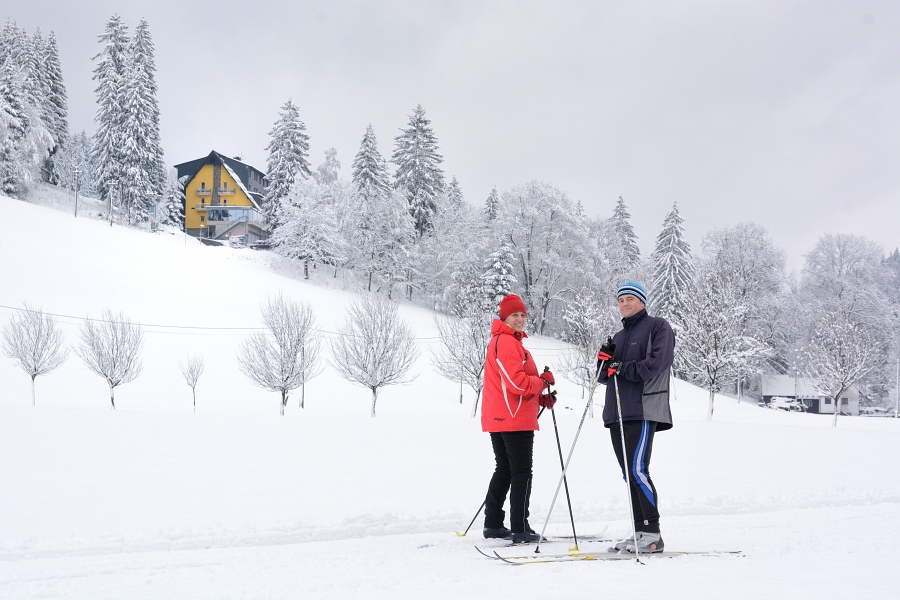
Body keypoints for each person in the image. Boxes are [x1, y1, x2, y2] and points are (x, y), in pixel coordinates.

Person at [597, 281, 675, 553]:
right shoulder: (617, 337)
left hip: (642, 409)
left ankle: (653, 534)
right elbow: (603, 378)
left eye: (630, 298)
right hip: (616, 412)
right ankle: (639, 531)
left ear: (642, 302)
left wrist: (621, 366)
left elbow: (657, 363)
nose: (625, 304)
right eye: (620, 300)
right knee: (628, 473)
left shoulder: (658, 326)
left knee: (639, 470)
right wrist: (603, 360)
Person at [480, 293, 556, 543]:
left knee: (505, 469)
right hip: (513, 419)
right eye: (515, 315)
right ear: (504, 317)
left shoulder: (506, 341)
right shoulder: (506, 342)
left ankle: (493, 524)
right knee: (521, 471)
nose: (520, 319)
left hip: (503, 415)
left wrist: (541, 397)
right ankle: (520, 527)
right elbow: (517, 383)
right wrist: (541, 381)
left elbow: (514, 386)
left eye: (523, 315)